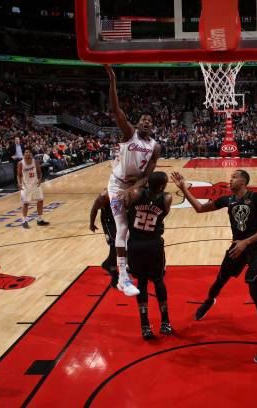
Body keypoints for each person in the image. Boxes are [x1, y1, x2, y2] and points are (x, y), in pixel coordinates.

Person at [171, 170, 257, 363]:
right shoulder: (227, 200)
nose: (229, 180)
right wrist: (183, 188)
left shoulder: (256, 198)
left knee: (255, 292)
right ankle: (209, 300)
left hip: (255, 248)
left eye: (233, 177)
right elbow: (199, 208)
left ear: (244, 181)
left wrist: (245, 243)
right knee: (220, 280)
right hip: (237, 246)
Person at [105, 64, 162, 297]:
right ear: (137, 123)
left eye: (150, 120)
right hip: (117, 185)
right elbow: (115, 107)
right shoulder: (129, 133)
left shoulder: (155, 146)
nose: (146, 121)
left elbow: (148, 174)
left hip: (135, 187)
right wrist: (112, 79)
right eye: (143, 119)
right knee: (123, 228)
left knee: (139, 229)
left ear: (153, 126)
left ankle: (131, 264)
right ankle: (122, 278)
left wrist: (136, 188)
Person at [125, 172, 173, 339]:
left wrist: (139, 181)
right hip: (154, 245)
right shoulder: (166, 198)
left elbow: (126, 198)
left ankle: (145, 326)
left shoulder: (136, 193)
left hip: (135, 245)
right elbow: (164, 213)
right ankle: (165, 323)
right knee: (158, 280)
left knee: (142, 283)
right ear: (162, 186)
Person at [89, 189, 118, 288]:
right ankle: (112, 269)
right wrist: (91, 224)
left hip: (119, 218)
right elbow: (94, 208)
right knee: (115, 244)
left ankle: (108, 263)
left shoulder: (127, 190)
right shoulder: (104, 196)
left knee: (122, 244)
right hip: (109, 221)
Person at [17, 149, 50, 229]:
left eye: (29, 152)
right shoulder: (21, 163)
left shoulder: (35, 162)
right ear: (24, 154)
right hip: (26, 186)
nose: (27, 153)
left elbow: (39, 173)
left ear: (31, 153)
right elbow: (19, 175)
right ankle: (24, 221)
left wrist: (39, 180)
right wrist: (19, 183)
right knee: (26, 203)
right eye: (26, 152)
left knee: (40, 200)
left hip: (35, 185)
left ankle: (40, 219)